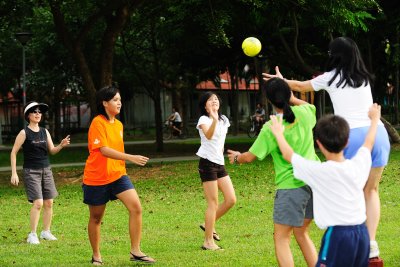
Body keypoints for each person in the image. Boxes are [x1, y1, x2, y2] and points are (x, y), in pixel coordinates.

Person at [263, 36, 391, 258]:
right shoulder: (364, 79)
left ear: (336, 56)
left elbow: (301, 87)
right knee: (371, 190)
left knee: (350, 189)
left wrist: (281, 80)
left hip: (351, 134)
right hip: (376, 131)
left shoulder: (332, 78)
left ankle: (349, 238)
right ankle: (370, 243)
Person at [269, 103, 382, 266]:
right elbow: (368, 143)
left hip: (338, 235)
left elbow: (288, 155)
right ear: (347, 142)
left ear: (319, 144)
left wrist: (279, 133)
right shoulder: (358, 164)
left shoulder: (318, 172)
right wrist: (374, 119)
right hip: (362, 233)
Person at [227, 78, 318, 267]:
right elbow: (308, 105)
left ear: (269, 100)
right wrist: (291, 95)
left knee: (282, 238)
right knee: (301, 232)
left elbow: (250, 157)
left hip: (291, 188)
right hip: (314, 184)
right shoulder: (305, 113)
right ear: (288, 95)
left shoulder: (272, 127)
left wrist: (236, 157)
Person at [82, 86, 155, 265]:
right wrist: (130, 157)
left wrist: (125, 162)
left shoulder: (119, 124)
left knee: (136, 208)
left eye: (120, 99)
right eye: (115, 100)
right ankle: (96, 255)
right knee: (96, 218)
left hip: (118, 175)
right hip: (96, 178)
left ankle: (135, 251)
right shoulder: (97, 123)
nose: (119, 102)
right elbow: (104, 150)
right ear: (105, 103)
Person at [10, 101, 71, 244]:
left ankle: (46, 232)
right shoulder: (24, 133)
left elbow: (52, 151)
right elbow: (13, 153)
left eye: (39, 112)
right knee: (38, 203)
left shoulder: (45, 131)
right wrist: (14, 173)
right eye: (34, 111)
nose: (38, 114)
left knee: (49, 202)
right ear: (28, 115)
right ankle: (32, 234)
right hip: (31, 171)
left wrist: (61, 145)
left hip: (46, 170)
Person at [196, 91, 236, 251]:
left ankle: (208, 224)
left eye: (216, 99)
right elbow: (210, 135)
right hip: (207, 163)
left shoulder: (224, 119)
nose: (214, 101)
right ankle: (207, 242)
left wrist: (216, 118)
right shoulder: (204, 120)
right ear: (205, 106)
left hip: (219, 163)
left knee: (231, 199)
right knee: (213, 203)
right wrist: (212, 118)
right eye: (210, 100)